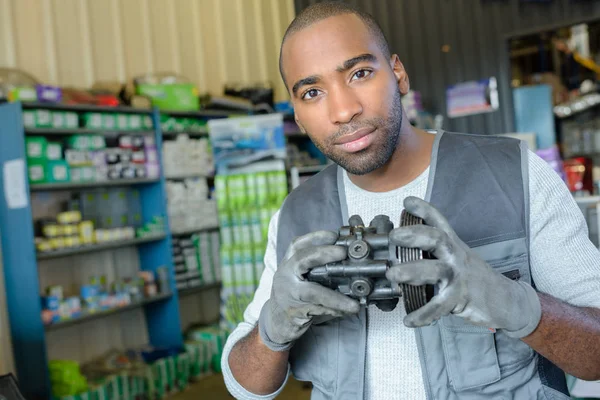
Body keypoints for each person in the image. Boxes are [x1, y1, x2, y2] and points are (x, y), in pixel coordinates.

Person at [221, 2, 600, 399]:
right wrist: (271, 330)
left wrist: (513, 304)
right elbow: (244, 388)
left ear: (398, 74)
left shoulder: (514, 174)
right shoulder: (294, 216)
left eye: (360, 73)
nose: (343, 110)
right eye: (312, 92)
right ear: (297, 115)